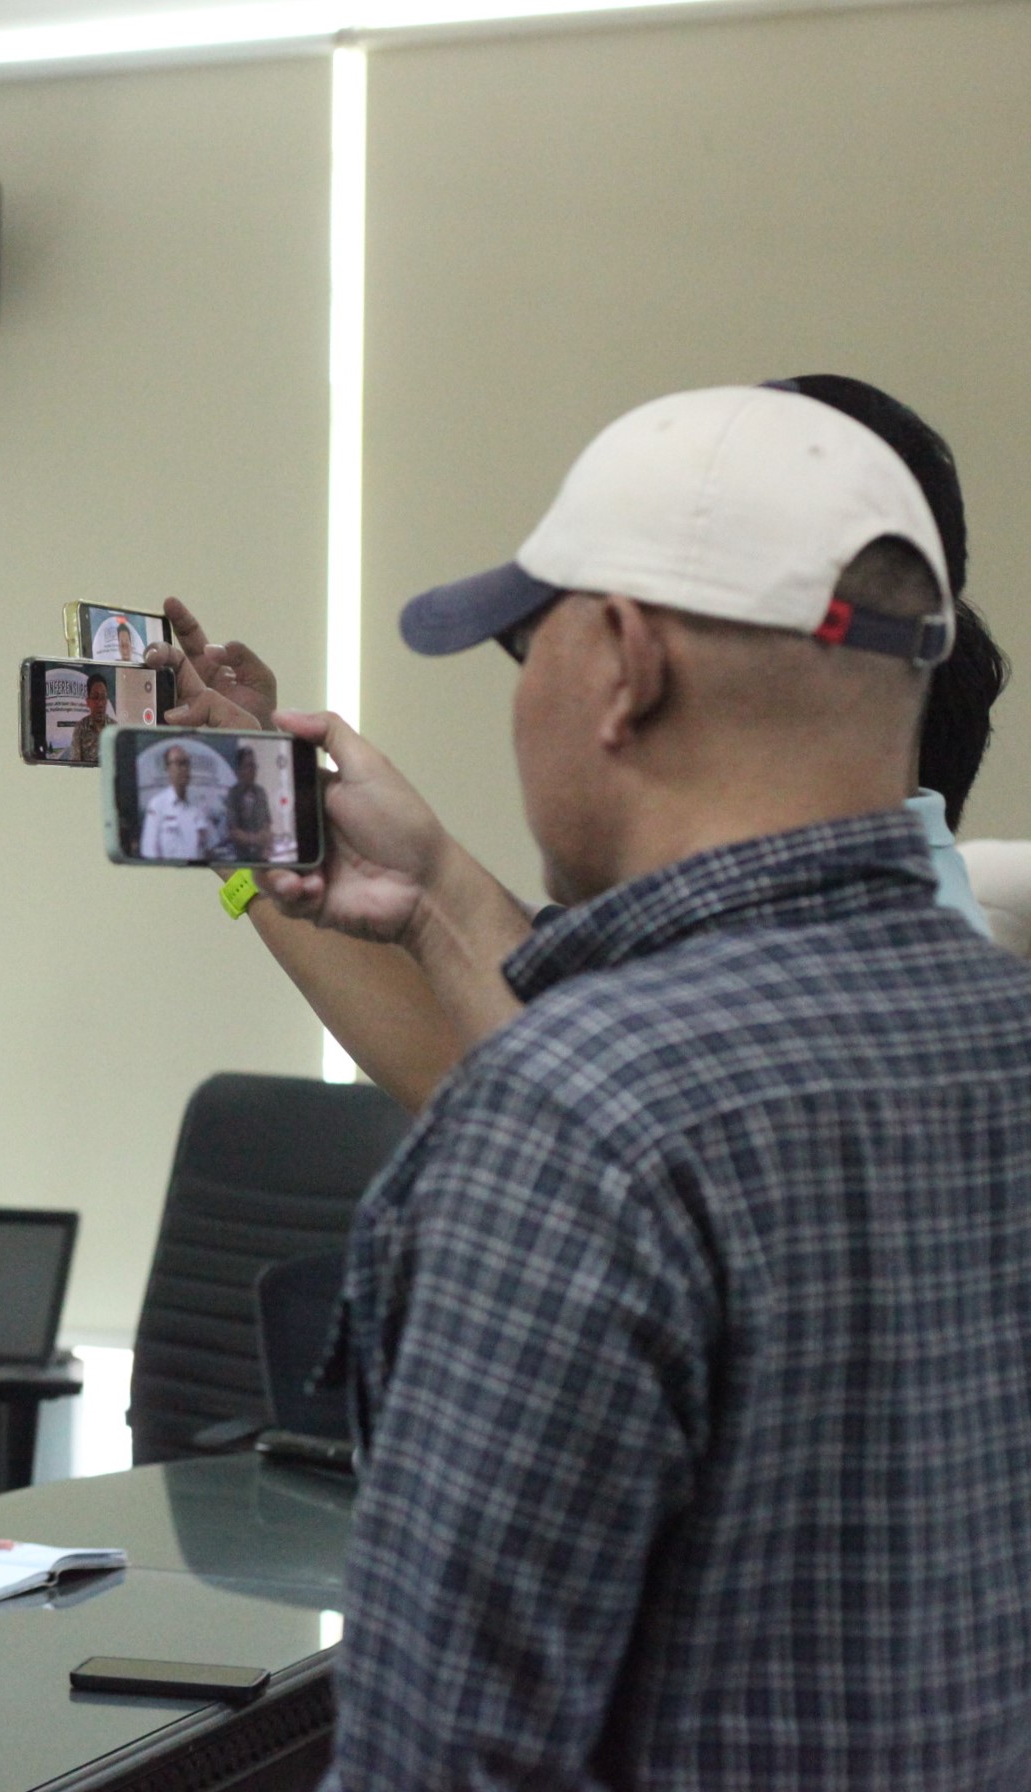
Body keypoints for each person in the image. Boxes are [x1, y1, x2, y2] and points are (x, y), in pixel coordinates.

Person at [291, 387, 1031, 1786]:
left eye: (527, 642)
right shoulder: (1003, 1033)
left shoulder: (572, 1128)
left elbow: (444, 1764)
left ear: (624, 664)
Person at [151, 373, 1009, 1107]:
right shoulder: (965, 1008)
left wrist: (246, 837)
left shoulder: (610, 1116)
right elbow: (542, 1007)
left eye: (527, 644)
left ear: (632, 670)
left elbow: (505, 1080)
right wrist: (409, 885)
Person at [139, 742, 222, 860]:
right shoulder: (157, 805)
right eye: (179, 763)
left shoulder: (200, 805)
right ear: (167, 768)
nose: (184, 769)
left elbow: (212, 847)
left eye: (187, 763)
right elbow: (150, 853)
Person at [224, 746, 274, 864]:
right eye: (248, 766)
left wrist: (262, 840)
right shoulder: (233, 794)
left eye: (254, 766)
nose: (253, 770)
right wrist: (257, 839)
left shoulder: (261, 792)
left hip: (261, 859)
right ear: (239, 770)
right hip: (240, 859)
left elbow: (266, 826)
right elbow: (234, 833)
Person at [69, 668, 114, 764]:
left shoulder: (115, 729)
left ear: (106, 701)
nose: (100, 703)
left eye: (103, 697)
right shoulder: (80, 728)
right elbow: (75, 765)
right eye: (95, 697)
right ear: (88, 701)